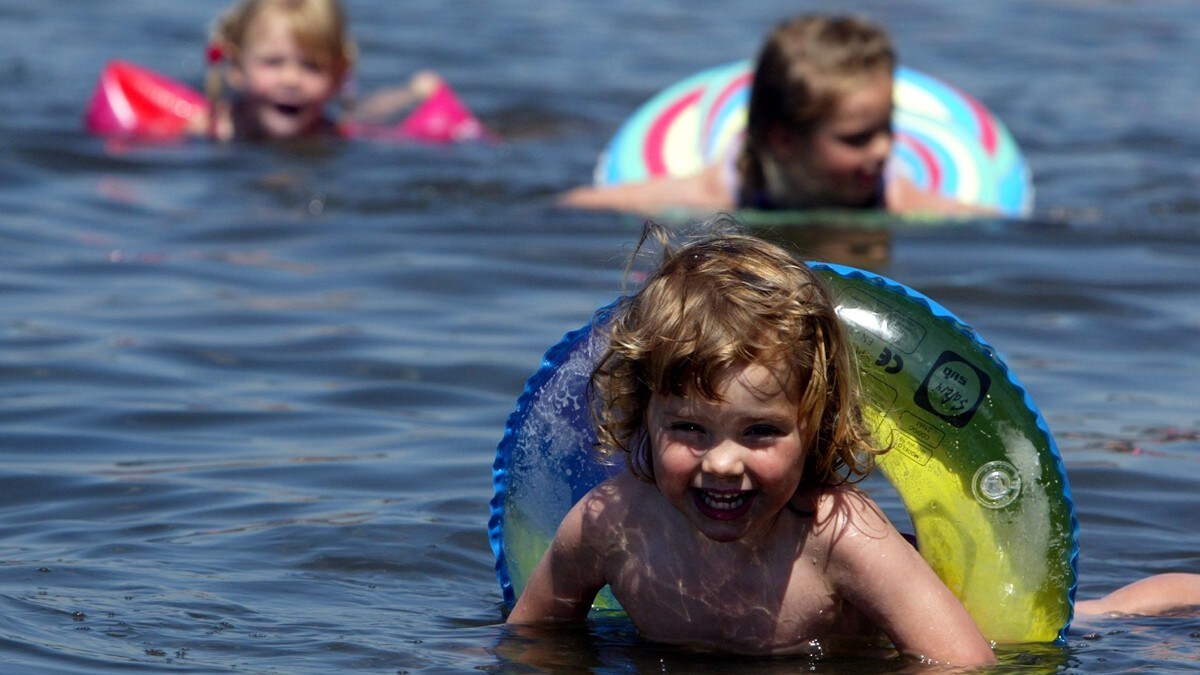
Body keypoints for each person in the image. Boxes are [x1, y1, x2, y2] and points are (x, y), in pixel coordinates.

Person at [505, 221, 998, 666]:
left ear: (814, 426)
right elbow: (530, 640)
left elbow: (961, 662)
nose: (721, 463)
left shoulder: (840, 538)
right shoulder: (610, 524)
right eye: (689, 428)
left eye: (760, 431)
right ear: (644, 419)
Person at [560, 15, 984, 217]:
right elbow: (583, 203)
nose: (885, 148)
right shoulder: (714, 195)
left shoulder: (898, 199)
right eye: (857, 138)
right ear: (783, 140)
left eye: (887, 126)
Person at [197, 0, 442, 141]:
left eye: (311, 66)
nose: (291, 79)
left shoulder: (333, 136)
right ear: (236, 67)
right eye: (273, 62)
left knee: (360, 118)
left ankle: (414, 91)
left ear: (338, 76)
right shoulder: (205, 128)